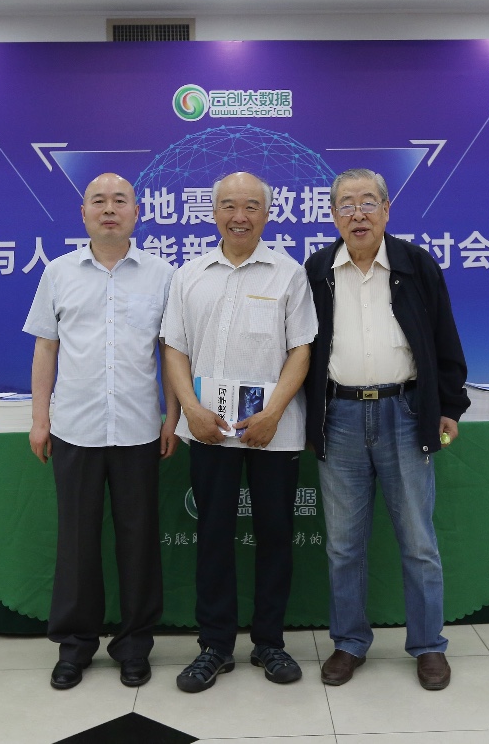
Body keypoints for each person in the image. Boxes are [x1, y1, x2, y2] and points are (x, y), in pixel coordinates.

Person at [303, 168, 470, 691]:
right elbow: (301, 350)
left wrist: (450, 405)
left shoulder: (416, 265)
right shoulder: (317, 270)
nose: (358, 213)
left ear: (387, 209)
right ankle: (349, 642)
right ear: (333, 215)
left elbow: (444, 338)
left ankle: (428, 645)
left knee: (418, 540)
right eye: (346, 204)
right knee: (343, 545)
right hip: (339, 416)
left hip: (405, 412)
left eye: (368, 202)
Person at [160, 171, 318, 693]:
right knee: (212, 535)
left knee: (275, 535)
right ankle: (215, 646)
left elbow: (302, 350)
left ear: (267, 214)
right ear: (213, 213)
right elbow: (174, 348)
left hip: (275, 429)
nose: (239, 216)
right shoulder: (189, 275)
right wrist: (190, 410)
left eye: (251, 206)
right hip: (208, 427)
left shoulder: (289, 274)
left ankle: (269, 642)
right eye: (228, 205)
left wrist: (273, 413)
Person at [23, 172, 179, 690]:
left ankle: (134, 646)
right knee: (77, 543)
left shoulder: (161, 275)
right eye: (98, 201)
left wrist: (172, 417)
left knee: (139, 542)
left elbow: (170, 352)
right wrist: (40, 419)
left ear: (137, 212)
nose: (109, 209)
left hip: (139, 428)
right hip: (75, 428)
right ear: (83, 213)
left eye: (119, 201)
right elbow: (46, 348)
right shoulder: (59, 273)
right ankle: (75, 646)